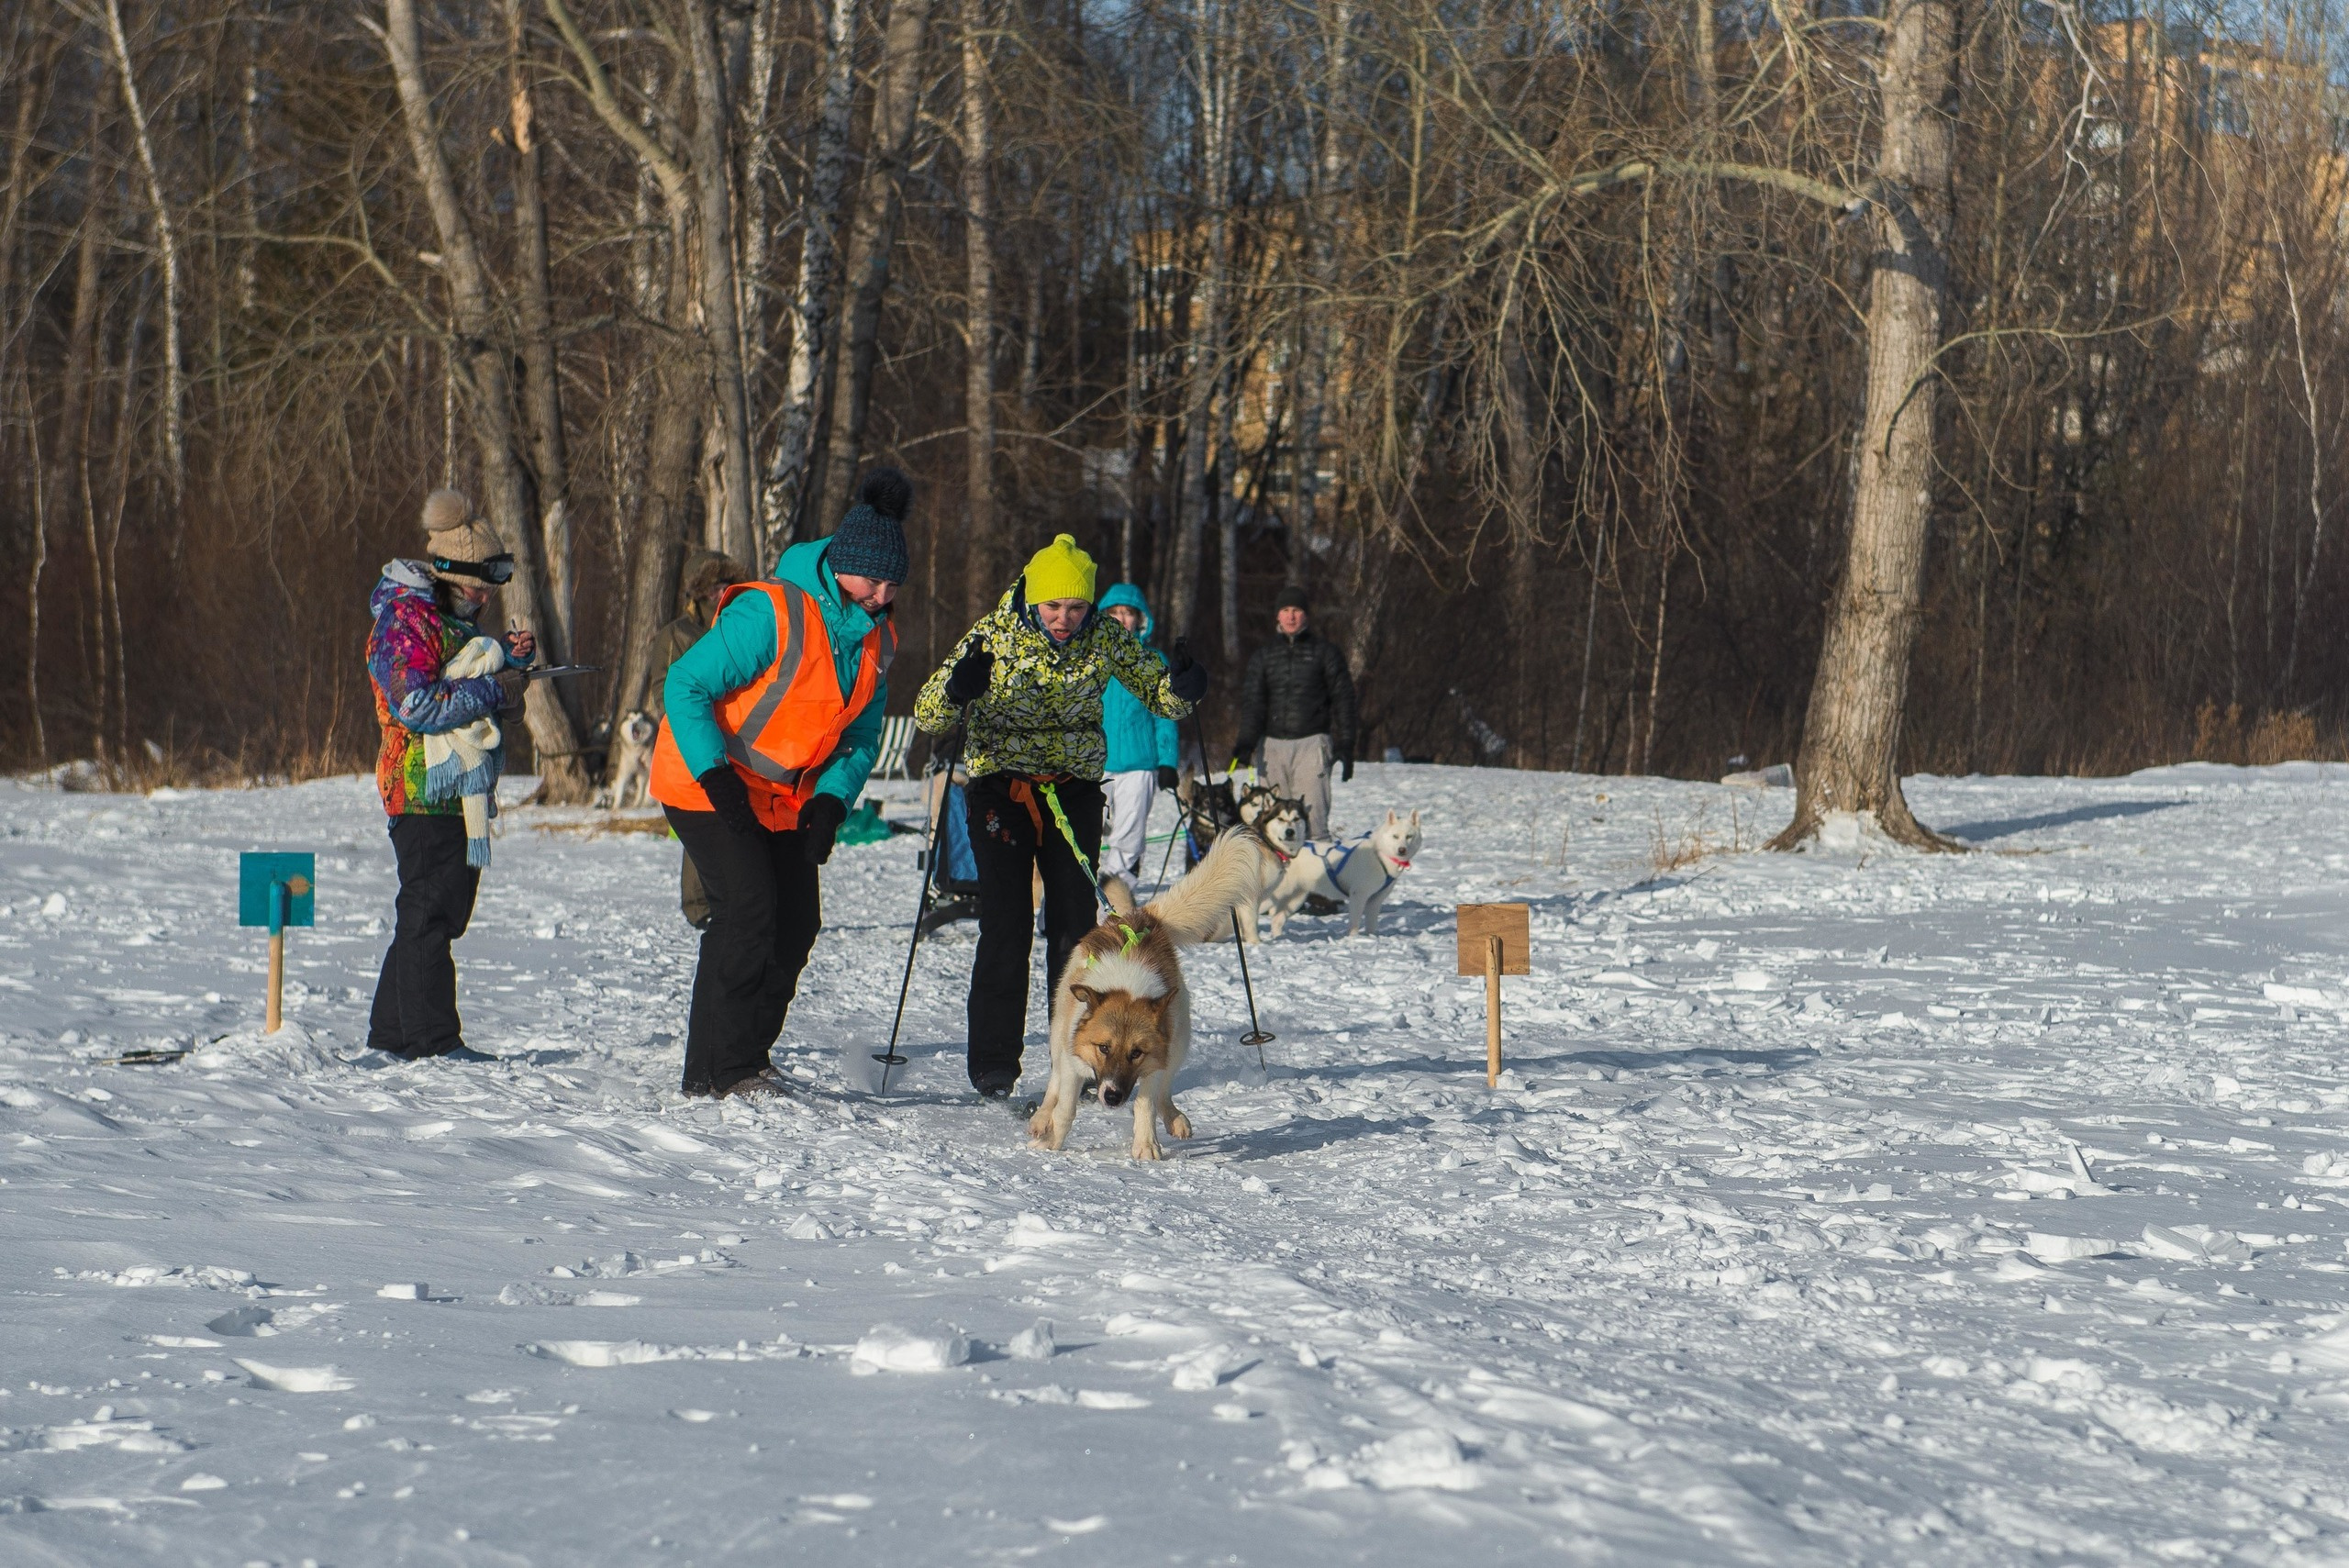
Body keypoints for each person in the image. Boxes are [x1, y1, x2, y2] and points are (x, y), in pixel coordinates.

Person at [647, 469, 912, 1098]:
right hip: (703, 777)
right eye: (870, 579)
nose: (881, 594)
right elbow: (685, 684)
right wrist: (716, 775)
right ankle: (720, 1069)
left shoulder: (877, 639)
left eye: (892, 582)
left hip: (782, 796)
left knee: (797, 922)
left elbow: (860, 736)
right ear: (841, 565)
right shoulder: (772, 611)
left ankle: (748, 1056)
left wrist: (832, 799)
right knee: (746, 909)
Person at [915, 535, 1208, 1097]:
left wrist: (1185, 686)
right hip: (1001, 789)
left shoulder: (1105, 636)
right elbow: (929, 713)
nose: (1064, 619)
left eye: (1076, 607)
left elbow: (1161, 696)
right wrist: (958, 688)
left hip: (1072, 792)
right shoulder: (995, 632)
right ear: (1034, 598)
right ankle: (994, 1063)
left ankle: (1079, 1057)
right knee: (1007, 924)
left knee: (1076, 931)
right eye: (1053, 606)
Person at [365, 490, 535, 1061]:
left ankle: (391, 1037)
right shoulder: (405, 619)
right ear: (446, 576)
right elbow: (416, 703)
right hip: (419, 788)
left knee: (438, 912)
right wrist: (492, 688)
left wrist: (508, 663)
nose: (484, 598)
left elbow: (463, 678)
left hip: (456, 789)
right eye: (476, 587)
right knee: (429, 912)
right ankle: (431, 1041)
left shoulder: (451, 620)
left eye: (489, 588)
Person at [646, 549, 747, 930]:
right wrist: (687, 726)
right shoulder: (677, 634)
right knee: (701, 819)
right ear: (699, 591)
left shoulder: (740, 626)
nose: (723, 592)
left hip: (740, 738)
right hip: (692, 740)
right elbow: (663, 688)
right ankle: (699, 904)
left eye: (728, 583)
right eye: (715, 586)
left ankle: (735, 899)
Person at [1232, 586, 1357, 841]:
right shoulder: (1263, 656)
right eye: (1286, 610)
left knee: (1313, 822)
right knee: (1270, 826)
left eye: (1297, 610)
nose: (1291, 616)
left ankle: (1317, 866)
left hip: (1311, 745)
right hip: (1271, 748)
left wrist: (1346, 743)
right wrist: (1246, 742)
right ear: (1277, 615)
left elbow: (1344, 699)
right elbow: (1253, 703)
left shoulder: (1326, 653)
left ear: (1306, 615)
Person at [1095, 583, 1180, 888]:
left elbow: (1165, 715)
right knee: (1085, 831)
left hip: (1139, 764)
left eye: (1128, 613)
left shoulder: (1153, 660)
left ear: (1140, 619)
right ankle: (1081, 894)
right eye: (1114, 612)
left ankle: (1115, 896)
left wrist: (1168, 761)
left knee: (1129, 837)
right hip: (1094, 763)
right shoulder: (1090, 657)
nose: (1121, 619)